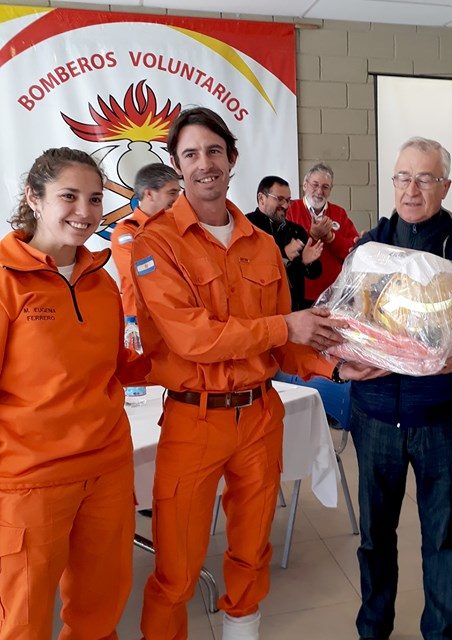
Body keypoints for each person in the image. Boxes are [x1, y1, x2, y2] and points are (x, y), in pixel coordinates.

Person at [131, 107, 382, 640]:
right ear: (177, 166)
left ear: (232, 159)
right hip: (193, 421)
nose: (205, 164)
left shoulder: (262, 243)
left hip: (260, 417)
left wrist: (336, 365)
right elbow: (194, 338)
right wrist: (283, 328)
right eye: (191, 155)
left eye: (214, 152)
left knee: (250, 553)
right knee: (175, 570)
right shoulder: (155, 244)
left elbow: (292, 347)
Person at [350, 137, 452, 640]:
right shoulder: (369, 249)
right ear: (392, 182)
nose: (412, 189)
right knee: (374, 538)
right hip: (374, 418)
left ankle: (442, 631)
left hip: (440, 420)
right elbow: (345, 323)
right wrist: (344, 360)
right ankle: (373, 628)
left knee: (441, 538)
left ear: (445, 185)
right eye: (403, 177)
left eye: (425, 178)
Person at [0, 147, 148, 639]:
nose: (85, 212)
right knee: (23, 621)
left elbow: (117, 370)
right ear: (33, 198)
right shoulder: (6, 280)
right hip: (32, 482)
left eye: (95, 198)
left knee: (98, 612)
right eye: (69, 196)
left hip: (106, 470)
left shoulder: (100, 281)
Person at [110, 162, 181, 318]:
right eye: (172, 193)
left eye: (178, 193)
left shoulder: (179, 227)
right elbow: (142, 277)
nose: (178, 199)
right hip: (143, 321)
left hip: (179, 317)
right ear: (149, 194)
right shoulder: (126, 232)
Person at [246, 175, 323, 311]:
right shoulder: (246, 226)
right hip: (260, 312)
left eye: (288, 200)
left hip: (294, 310)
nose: (286, 205)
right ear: (261, 198)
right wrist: (284, 255)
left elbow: (315, 273)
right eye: (280, 199)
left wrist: (307, 262)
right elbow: (247, 268)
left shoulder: (295, 230)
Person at [286, 162, 358, 304]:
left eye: (325, 187)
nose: (320, 191)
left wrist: (331, 238)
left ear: (330, 190)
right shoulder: (290, 210)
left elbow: (352, 253)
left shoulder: (339, 213)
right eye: (315, 185)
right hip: (298, 294)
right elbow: (285, 252)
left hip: (333, 295)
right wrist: (312, 235)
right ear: (305, 185)